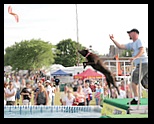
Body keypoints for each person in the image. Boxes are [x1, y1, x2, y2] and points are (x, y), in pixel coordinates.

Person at [109, 28, 148, 104]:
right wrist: (113, 39)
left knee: (134, 81)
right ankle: (136, 98)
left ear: (134, 33)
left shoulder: (139, 41)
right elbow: (120, 46)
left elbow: (142, 50)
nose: (128, 35)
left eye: (129, 33)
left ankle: (136, 99)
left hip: (143, 63)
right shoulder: (132, 44)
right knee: (145, 84)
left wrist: (135, 57)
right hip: (140, 64)